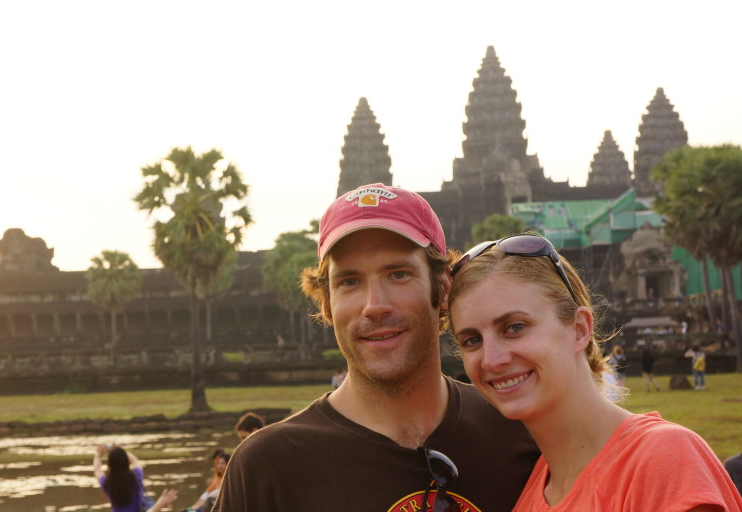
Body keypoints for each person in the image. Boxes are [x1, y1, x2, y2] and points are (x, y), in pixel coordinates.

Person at [214, 183, 539, 511]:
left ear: (442, 289)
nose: (375, 306)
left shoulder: (522, 431)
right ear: (327, 303)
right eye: (350, 282)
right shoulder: (269, 468)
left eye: (398, 274)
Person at [447, 233, 742, 510]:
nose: (491, 360)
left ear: (579, 329)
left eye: (515, 327)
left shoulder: (661, 460)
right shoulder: (534, 488)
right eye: (472, 340)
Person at [94, 443, 179, 512]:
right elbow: (135, 461)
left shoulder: (107, 483)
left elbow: (97, 470)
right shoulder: (135, 477)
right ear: (126, 462)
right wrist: (122, 451)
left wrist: (98, 454)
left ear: (109, 465)